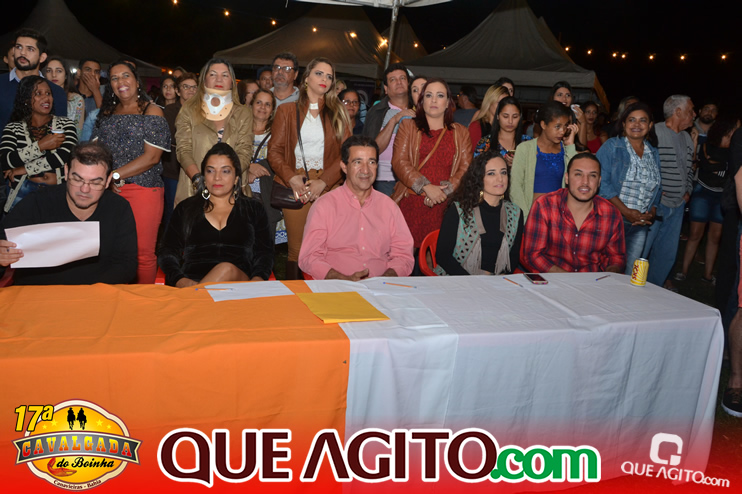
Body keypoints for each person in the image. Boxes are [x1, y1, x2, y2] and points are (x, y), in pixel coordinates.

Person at [0, 141, 137, 285]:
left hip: (96, 292)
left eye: (95, 183)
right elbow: (4, 242)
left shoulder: (118, 208)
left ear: (108, 180)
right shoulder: (37, 203)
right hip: (38, 292)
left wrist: (89, 291)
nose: (84, 189)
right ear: (66, 172)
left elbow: (126, 265)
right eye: (77, 179)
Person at [267, 57, 351, 279]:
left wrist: (324, 182)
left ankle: (327, 293)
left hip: (329, 185)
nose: (324, 79)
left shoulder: (339, 112)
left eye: (329, 76)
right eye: (319, 73)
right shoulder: (286, 111)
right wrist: (290, 178)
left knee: (329, 247)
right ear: (306, 78)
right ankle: (296, 296)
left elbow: (347, 153)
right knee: (297, 249)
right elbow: (274, 152)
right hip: (297, 185)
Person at [92, 60, 170, 284]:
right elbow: (97, 151)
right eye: (114, 78)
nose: (121, 82)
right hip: (109, 192)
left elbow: (152, 157)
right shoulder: (106, 113)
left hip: (143, 189)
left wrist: (114, 176)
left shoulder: (152, 110)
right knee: (110, 252)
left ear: (137, 81)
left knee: (142, 254)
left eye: (126, 76)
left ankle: (143, 302)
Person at [299, 135, 413, 280]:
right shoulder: (324, 206)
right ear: (344, 167)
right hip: (337, 288)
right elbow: (309, 257)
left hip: (381, 288)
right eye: (358, 162)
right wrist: (342, 279)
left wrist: (385, 279)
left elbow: (404, 256)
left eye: (371, 162)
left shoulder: (389, 207)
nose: (365, 170)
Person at [158, 143, 272, 287]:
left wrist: (258, 278)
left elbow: (264, 254)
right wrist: (180, 280)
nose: (217, 177)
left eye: (225, 171)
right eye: (210, 171)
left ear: (236, 178)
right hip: (192, 283)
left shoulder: (254, 209)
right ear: (204, 177)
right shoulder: (186, 209)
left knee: (226, 269)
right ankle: (198, 295)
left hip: (239, 287)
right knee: (206, 283)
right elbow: (167, 252)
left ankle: (195, 297)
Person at [391, 77, 472, 250]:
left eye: (440, 95)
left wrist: (443, 192)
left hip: (445, 206)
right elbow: (399, 161)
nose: (434, 100)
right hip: (412, 202)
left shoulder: (461, 132)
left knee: (436, 259)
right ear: (422, 101)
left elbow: (465, 168)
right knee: (403, 257)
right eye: (428, 95)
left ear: (448, 102)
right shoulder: (408, 126)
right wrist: (426, 187)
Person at [522, 153, 625, 273]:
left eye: (592, 176)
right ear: (566, 178)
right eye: (578, 174)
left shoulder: (611, 214)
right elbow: (532, 254)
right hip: (552, 279)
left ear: (599, 181)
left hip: (592, 281)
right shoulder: (545, 206)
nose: (585, 182)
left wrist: (610, 275)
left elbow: (616, 258)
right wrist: (568, 279)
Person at [174, 58, 253, 206]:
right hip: (194, 189)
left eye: (225, 75)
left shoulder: (243, 113)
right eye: (213, 74)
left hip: (233, 192)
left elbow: (245, 151)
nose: (219, 79)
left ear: (232, 82)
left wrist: (227, 179)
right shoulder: (189, 110)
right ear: (204, 80)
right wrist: (199, 179)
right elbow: (183, 150)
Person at [596, 102, 662, 274]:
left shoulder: (653, 152)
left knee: (629, 275)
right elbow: (601, 183)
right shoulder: (611, 146)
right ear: (624, 124)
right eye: (632, 120)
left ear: (650, 125)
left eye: (642, 120)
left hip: (640, 223)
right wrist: (626, 211)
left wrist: (652, 212)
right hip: (613, 220)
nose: (637, 124)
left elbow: (657, 187)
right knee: (605, 272)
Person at [435, 150, 523, 276]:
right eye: (491, 173)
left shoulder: (515, 213)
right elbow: (443, 256)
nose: (500, 179)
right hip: (457, 280)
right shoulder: (459, 210)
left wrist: (499, 280)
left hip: (496, 282)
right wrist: (474, 282)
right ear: (479, 178)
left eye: (503, 172)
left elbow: (513, 258)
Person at [676, 117, 740, 284]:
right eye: (734, 130)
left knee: (715, 237)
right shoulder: (707, 146)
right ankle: (683, 271)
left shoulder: (735, 150)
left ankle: (708, 275)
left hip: (721, 197)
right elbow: (708, 165)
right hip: (703, 193)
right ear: (725, 131)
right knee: (695, 234)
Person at [1, 76, 78, 212]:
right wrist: (41, 146)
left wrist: (24, 169)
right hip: (23, 192)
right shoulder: (13, 128)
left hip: (57, 192)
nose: (46, 98)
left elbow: (64, 156)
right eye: (38, 93)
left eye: (48, 93)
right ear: (26, 100)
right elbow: (6, 160)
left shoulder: (65, 124)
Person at [643, 95, 695, 288]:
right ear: (678, 112)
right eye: (691, 110)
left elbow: (689, 168)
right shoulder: (655, 132)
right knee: (643, 249)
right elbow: (646, 163)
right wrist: (656, 190)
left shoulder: (686, 137)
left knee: (666, 253)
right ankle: (632, 287)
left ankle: (654, 289)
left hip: (678, 205)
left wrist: (688, 190)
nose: (694, 114)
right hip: (657, 204)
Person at [510, 101, 578, 220]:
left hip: (559, 217)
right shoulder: (525, 149)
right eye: (557, 126)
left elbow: (576, 178)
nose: (562, 131)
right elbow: (515, 187)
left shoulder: (566, 150)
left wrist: (570, 145)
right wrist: (526, 218)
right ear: (543, 124)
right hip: (532, 215)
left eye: (565, 126)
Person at [362, 63, 415, 196]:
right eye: (393, 79)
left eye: (402, 78)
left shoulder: (420, 110)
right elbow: (373, 149)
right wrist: (394, 119)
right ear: (386, 88)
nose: (399, 82)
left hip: (413, 178)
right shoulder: (377, 111)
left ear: (409, 84)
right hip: (384, 179)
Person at [0, 29, 67, 129]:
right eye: (19, 47)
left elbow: (59, 131)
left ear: (42, 57)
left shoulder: (56, 92)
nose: (22, 53)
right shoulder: (1, 83)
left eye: (30, 49)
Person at [245, 88, 282, 242]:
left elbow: (283, 162)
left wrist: (262, 166)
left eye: (267, 104)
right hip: (241, 196)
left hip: (267, 198)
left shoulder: (278, 134)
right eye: (259, 102)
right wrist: (248, 168)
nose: (262, 107)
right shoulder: (239, 132)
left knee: (264, 247)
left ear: (272, 110)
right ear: (251, 105)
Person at [161, 72, 198, 228]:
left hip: (197, 167)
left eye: (194, 87)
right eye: (186, 87)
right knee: (173, 211)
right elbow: (172, 138)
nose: (191, 90)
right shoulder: (170, 111)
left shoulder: (203, 111)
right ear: (177, 91)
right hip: (173, 170)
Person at [473, 96, 531, 166]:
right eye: (505, 116)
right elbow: (476, 169)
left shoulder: (529, 143)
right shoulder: (485, 143)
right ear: (497, 116)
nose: (510, 121)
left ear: (520, 117)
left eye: (515, 117)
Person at [42, 56, 84, 136]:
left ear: (66, 75)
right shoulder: (40, 98)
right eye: (49, 71)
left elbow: (77, 131)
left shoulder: (76, 99)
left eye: (59, 71)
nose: (54, 75)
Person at [467, 85, 508, 150]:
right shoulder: (477, 126)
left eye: (505, 104)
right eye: (499, 103)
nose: (503, 107)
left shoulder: (508, 127)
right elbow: (471, 153)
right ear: (489, 102)